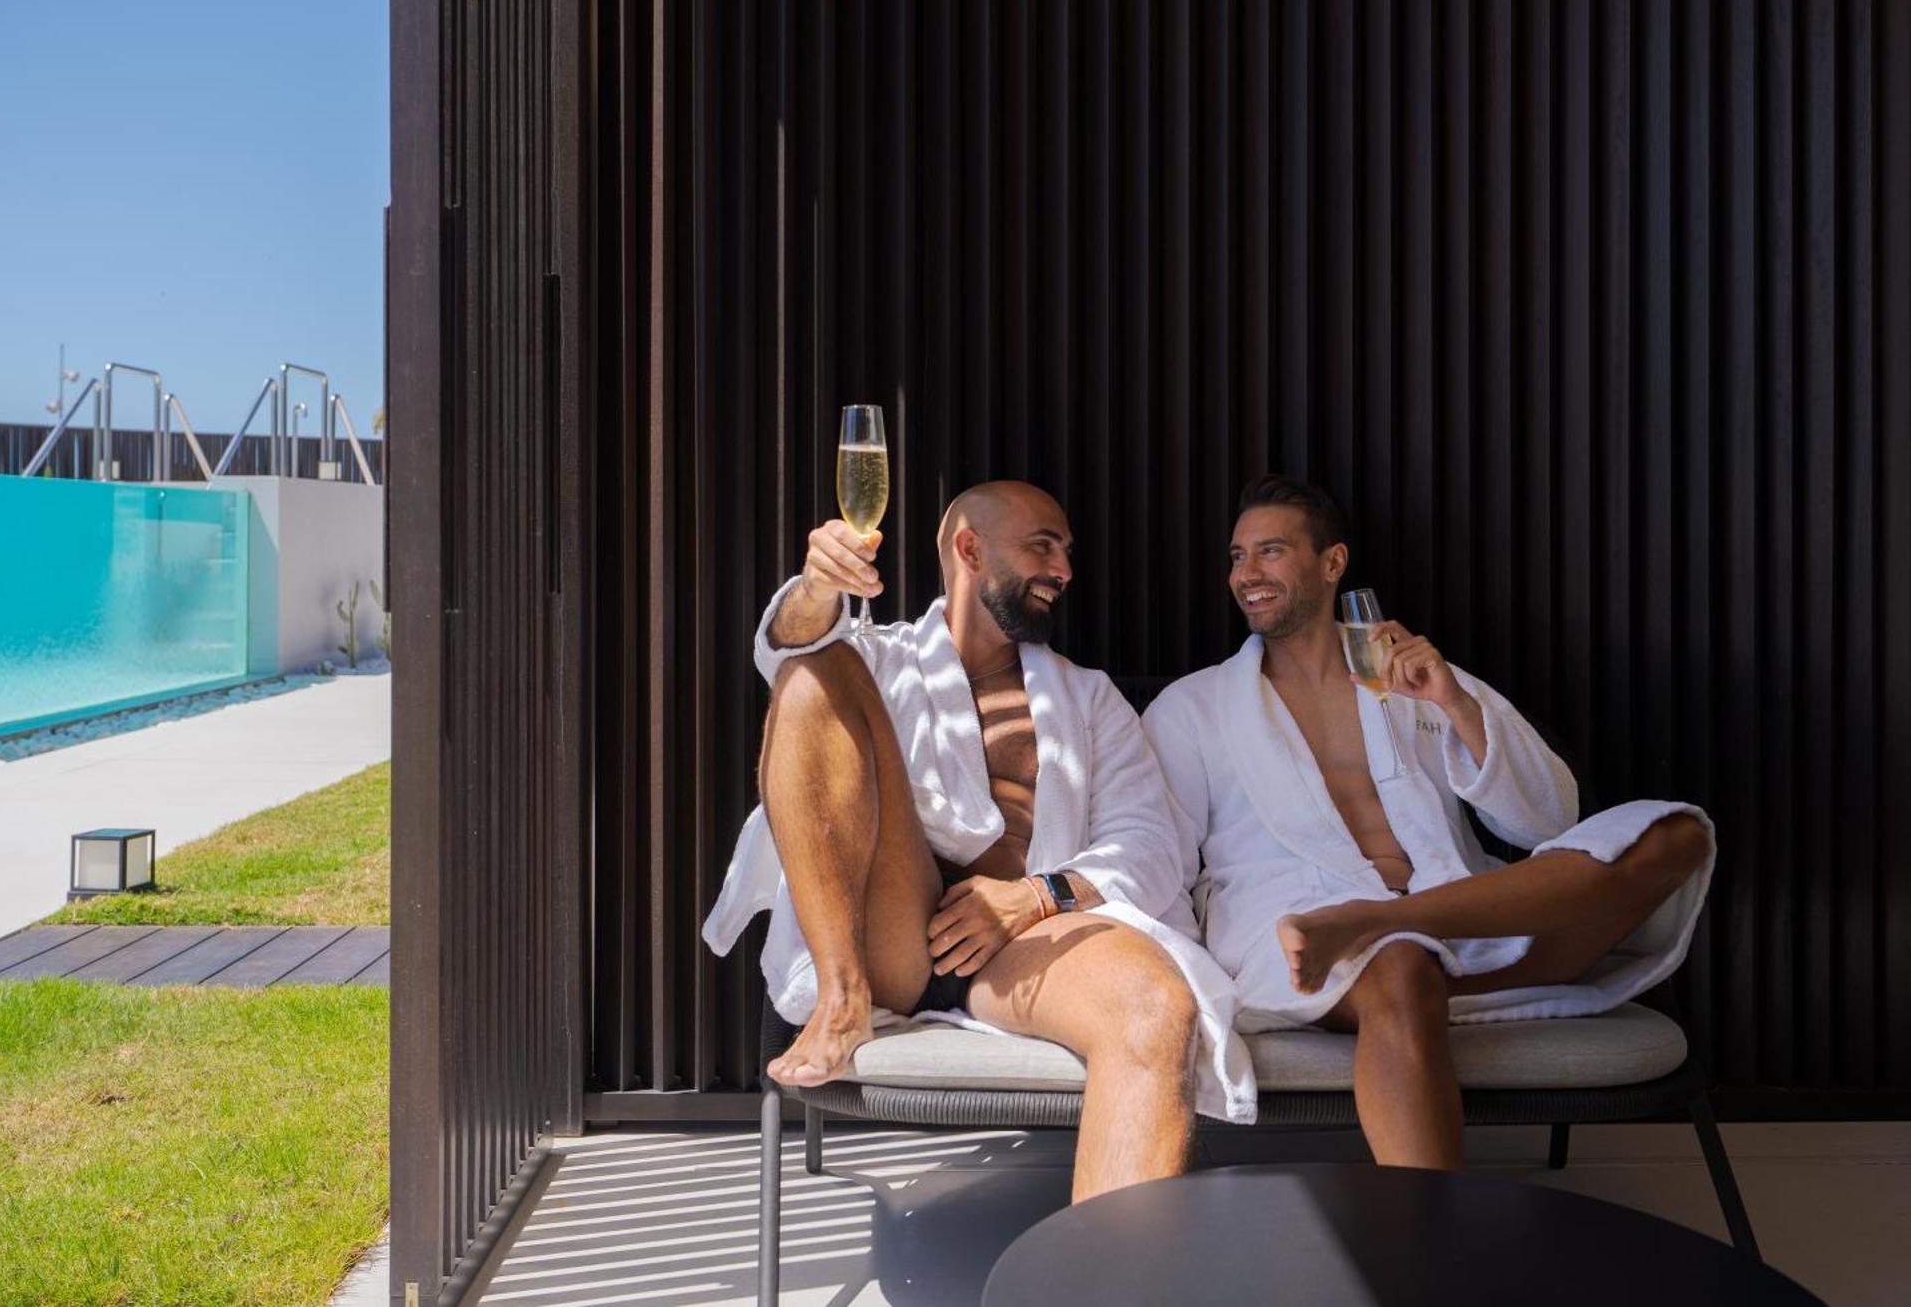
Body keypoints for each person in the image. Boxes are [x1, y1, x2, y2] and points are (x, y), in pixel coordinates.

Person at [1142, 475, 1715, 1170]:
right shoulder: (1192, 708)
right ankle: (1428, 1230)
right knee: (1401, 965)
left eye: (1270, 551)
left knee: (1675, 834)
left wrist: (1453, 700)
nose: (1246, 574)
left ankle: (1384, 924)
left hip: (1458, 924)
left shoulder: (1408, 676)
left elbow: (1547, 818)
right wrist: (1186, 989)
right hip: (1297, 938)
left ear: (1332, 562)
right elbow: (1163, 859)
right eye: (1238, 556)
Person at [704, 481, 1254, 1201]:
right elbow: (787, 645)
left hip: (1025, 945)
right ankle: (843, 996)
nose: (1064, 569)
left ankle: (1115, 1261)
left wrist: (1035, 896)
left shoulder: (1089, 698)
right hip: (894, 931)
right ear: (970, 549)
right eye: (1042, 547)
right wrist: (816, 587)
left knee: (1155, 1006)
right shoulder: (881, 657)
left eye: (1066, 551)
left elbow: (1150, 844)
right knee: (808, 677)